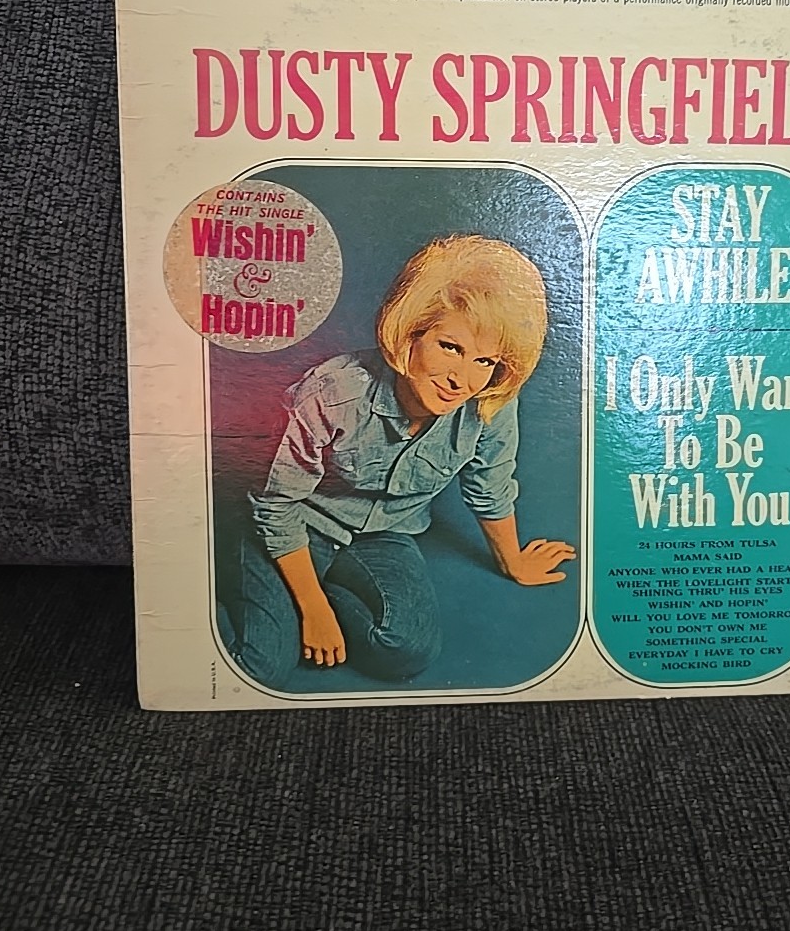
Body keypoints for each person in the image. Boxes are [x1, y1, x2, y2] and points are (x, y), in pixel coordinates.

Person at [227, 234, 576, 688]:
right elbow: (276, 504)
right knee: (265, 665)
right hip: (296, 525)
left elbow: (489, 485)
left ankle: (304, 593)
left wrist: (512, 561)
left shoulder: (489, 402)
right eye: (450, 347)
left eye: (485, 360)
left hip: (384, 533)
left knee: (405, 649)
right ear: (411, 333)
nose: (461, 379)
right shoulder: (333, 392)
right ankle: (254, 582)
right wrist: (312, 609)